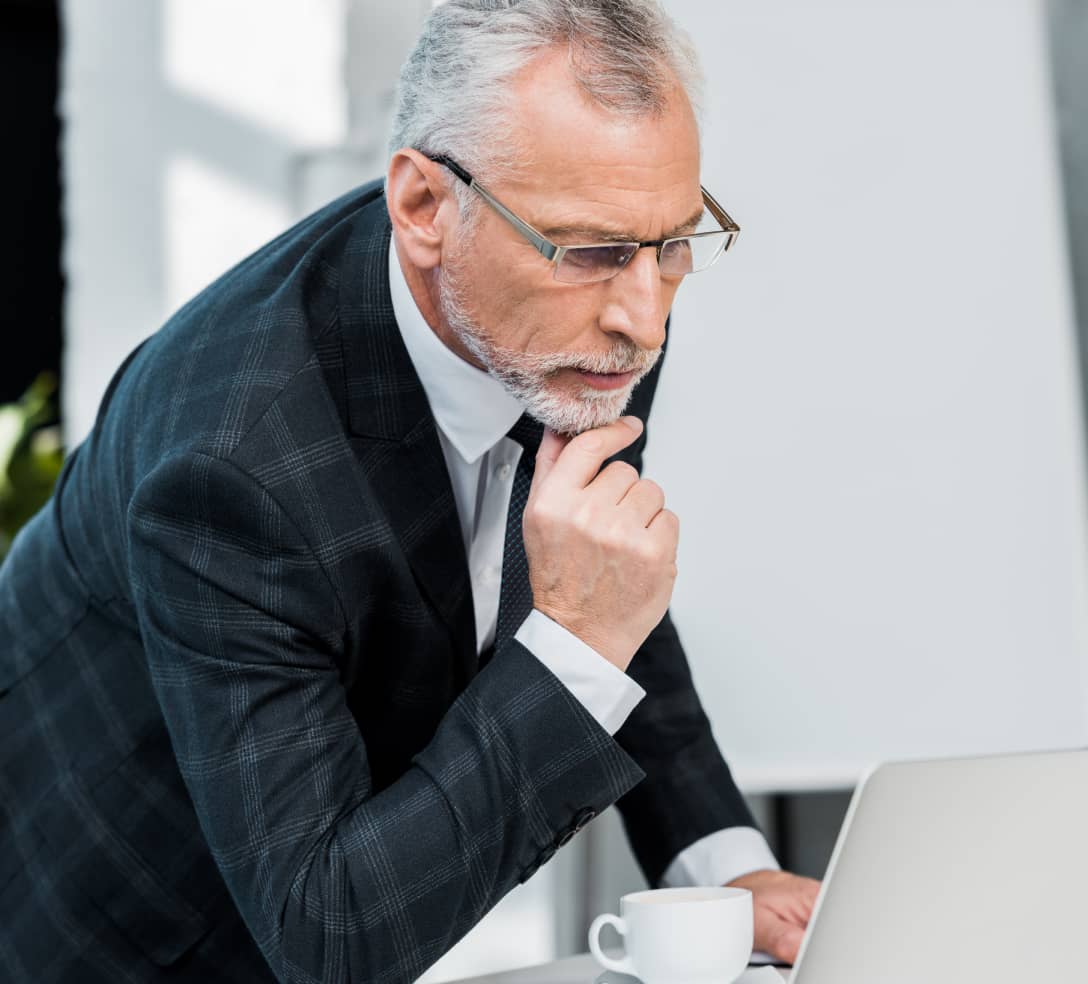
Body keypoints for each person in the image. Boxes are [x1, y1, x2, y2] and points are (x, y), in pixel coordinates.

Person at [0, 1, 820, 981]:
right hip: (119, 923)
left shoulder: (590, 306)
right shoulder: (228, 464)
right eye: (592, 250)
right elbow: (331, 939)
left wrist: (726, 867)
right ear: (426, 208)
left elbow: (601, 574)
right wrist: (571, 647)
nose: (644, 319)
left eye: (673, 241)